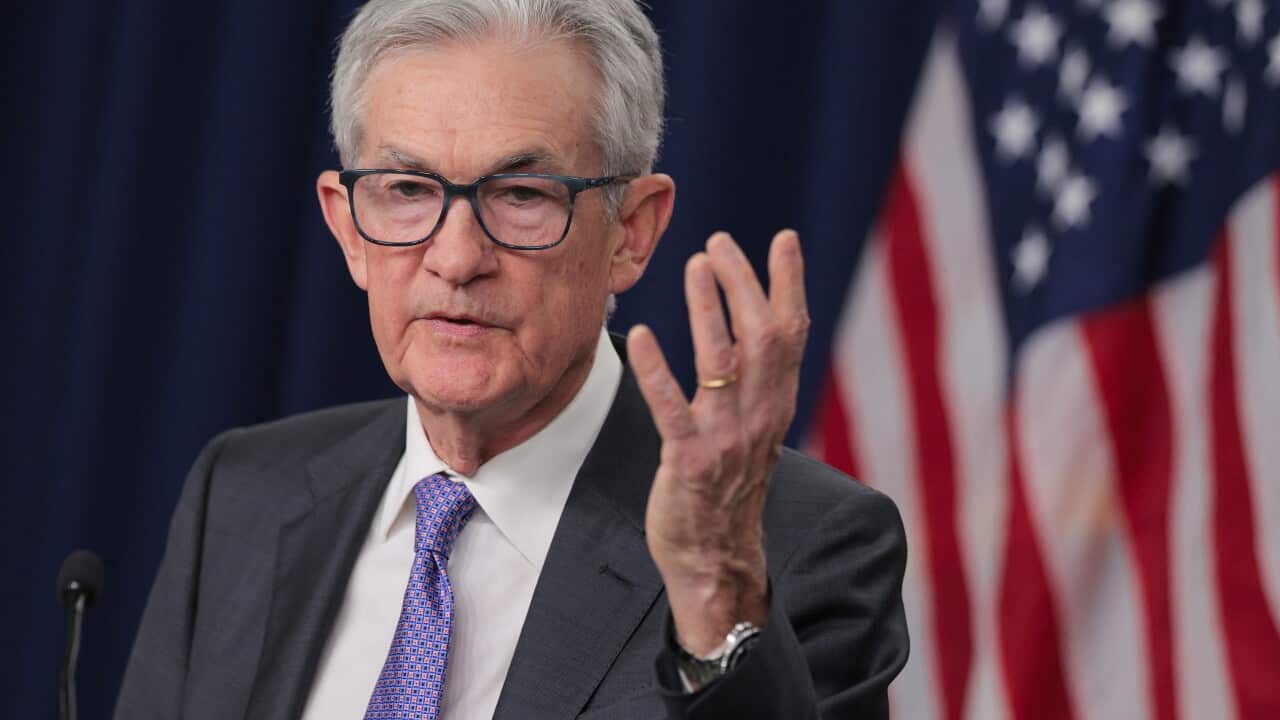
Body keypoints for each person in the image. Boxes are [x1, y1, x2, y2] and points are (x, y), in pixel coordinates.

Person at [115, 1, 909, 718]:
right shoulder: (244, 493)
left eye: (522, 195)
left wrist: (712, 593)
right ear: (348, 225)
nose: (456, 258)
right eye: (407, 189)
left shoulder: (793, 549)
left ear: (631, 231)